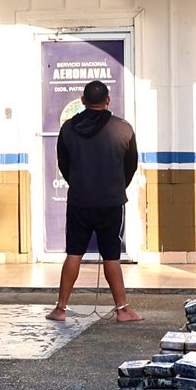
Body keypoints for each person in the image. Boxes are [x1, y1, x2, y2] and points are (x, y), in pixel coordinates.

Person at [47, 79, 142, 324]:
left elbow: (63, 163)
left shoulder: (68, 128)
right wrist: (117, 187)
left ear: (82, 101)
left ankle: (60, 308)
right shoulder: (123, 129)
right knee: (111, 255)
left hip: (79, 200)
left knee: (74, 253)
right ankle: (122, 309)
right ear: (108, 100)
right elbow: (130, 165)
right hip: (111, 202)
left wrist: (79, 183)